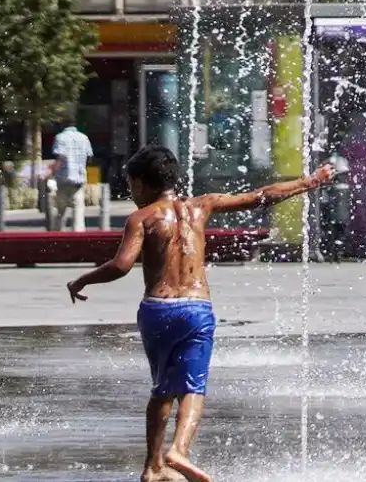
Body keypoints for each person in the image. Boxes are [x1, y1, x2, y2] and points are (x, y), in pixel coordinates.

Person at [66, 145, 336, 482]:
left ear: (140, 183)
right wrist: (309, 182)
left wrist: (82, 279)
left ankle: (152, 467)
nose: (132, 193)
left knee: (161, 388)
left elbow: (122, 265)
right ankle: (178, 450)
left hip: (157, 310)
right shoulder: (201, 207)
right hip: (197, 309)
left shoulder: (141, 218)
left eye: (132, 185)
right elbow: (259, 196)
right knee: (194, 387)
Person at [50, 118, 94, 231]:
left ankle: (57, 240)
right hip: (78, 182)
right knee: (78, 213)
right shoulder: (84, 138)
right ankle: (79, 241)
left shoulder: (60, 137)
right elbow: (90, 158)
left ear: (63, 125)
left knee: (59, 213)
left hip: (62, 181)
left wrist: (51, 174)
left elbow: (59, 158)